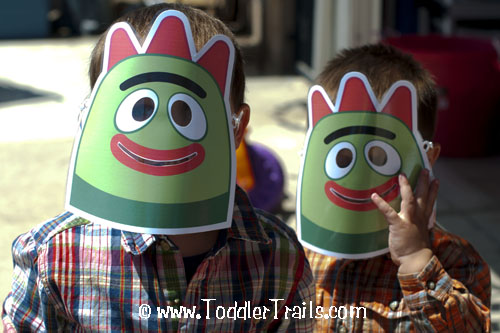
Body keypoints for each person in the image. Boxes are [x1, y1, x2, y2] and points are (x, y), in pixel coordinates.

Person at [2, 4, 315, 332]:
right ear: (91, 119)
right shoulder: (54, 258)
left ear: (236, 128)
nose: (163, 136)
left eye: (185, 114)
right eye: (140, 110)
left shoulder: (277, 258)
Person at [306, 44, 491, 332]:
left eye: (379, 158)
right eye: (342, 158)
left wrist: (416, 259)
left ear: (427, 158)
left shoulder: (457, 261)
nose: (359, 181)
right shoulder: (300, 255)